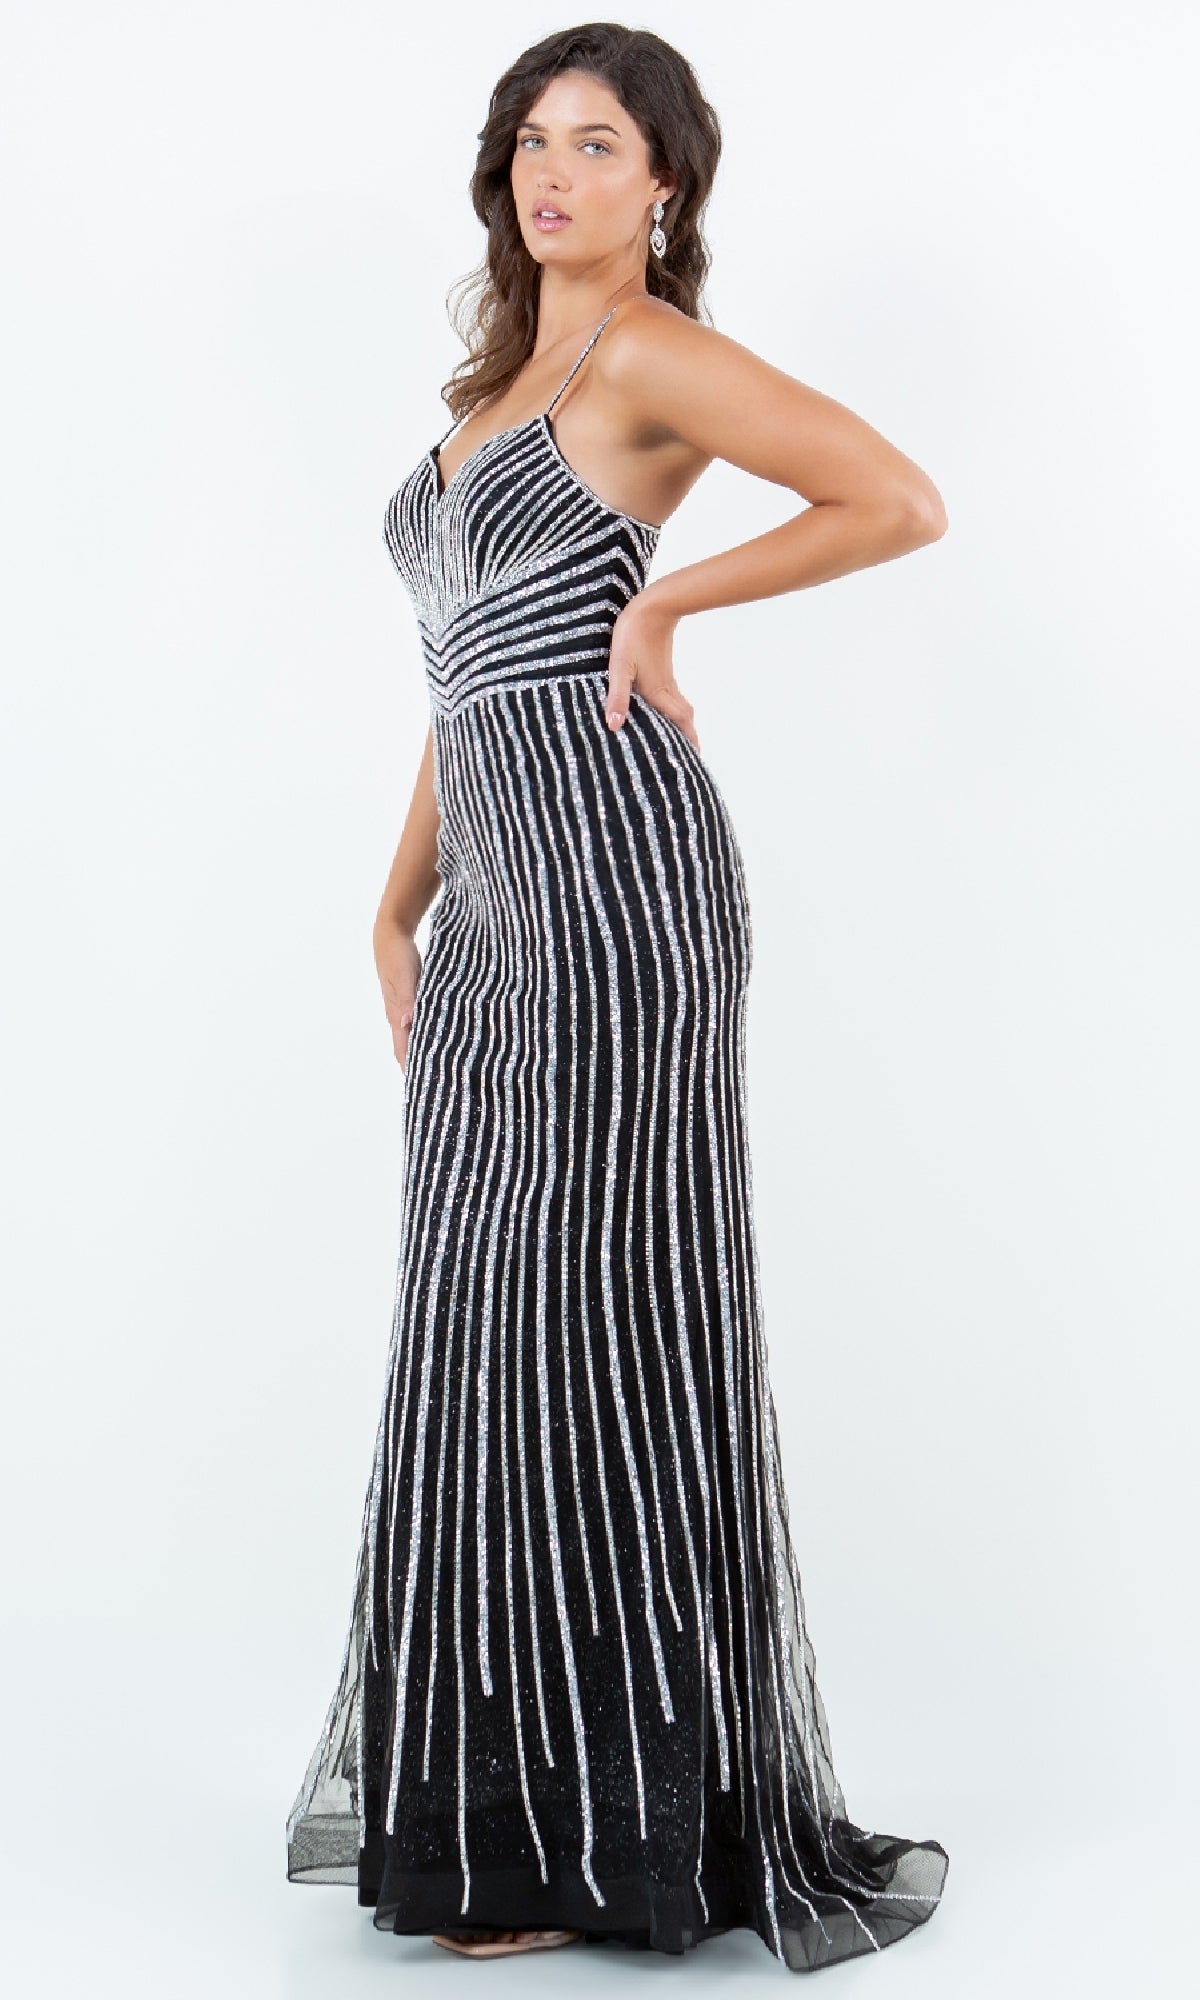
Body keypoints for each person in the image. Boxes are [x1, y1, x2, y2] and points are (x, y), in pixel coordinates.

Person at [285, 22, 951, 1973]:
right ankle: (515, 1814)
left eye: (596, 143)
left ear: (666, 181)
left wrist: (665, 600)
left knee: (588, 1335)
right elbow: (466, 671)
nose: (550, 172)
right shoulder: (498, 388)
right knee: (481, 1326)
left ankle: (596, 1840)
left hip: (614, 890)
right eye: (527, 141)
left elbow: (896, 496)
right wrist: (394, 900)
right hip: (490, 896)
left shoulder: (649, 354)